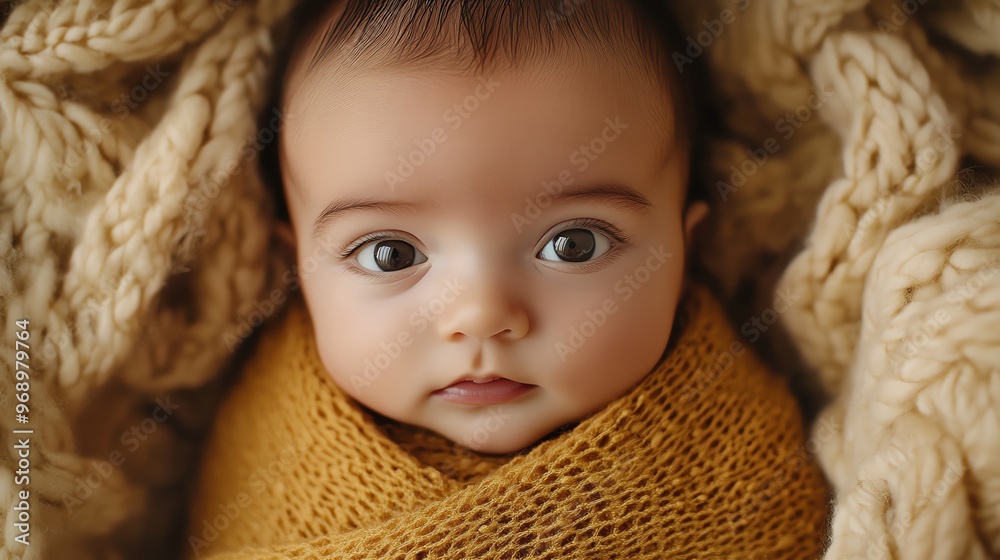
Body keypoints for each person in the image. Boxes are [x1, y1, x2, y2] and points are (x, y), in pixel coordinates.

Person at [185, 1, 830, 557]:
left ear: (683, 252)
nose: (482, 313)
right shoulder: (258, 459)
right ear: (298, 270)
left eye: (572, 244)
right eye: (390, 254)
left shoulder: (746, 468)